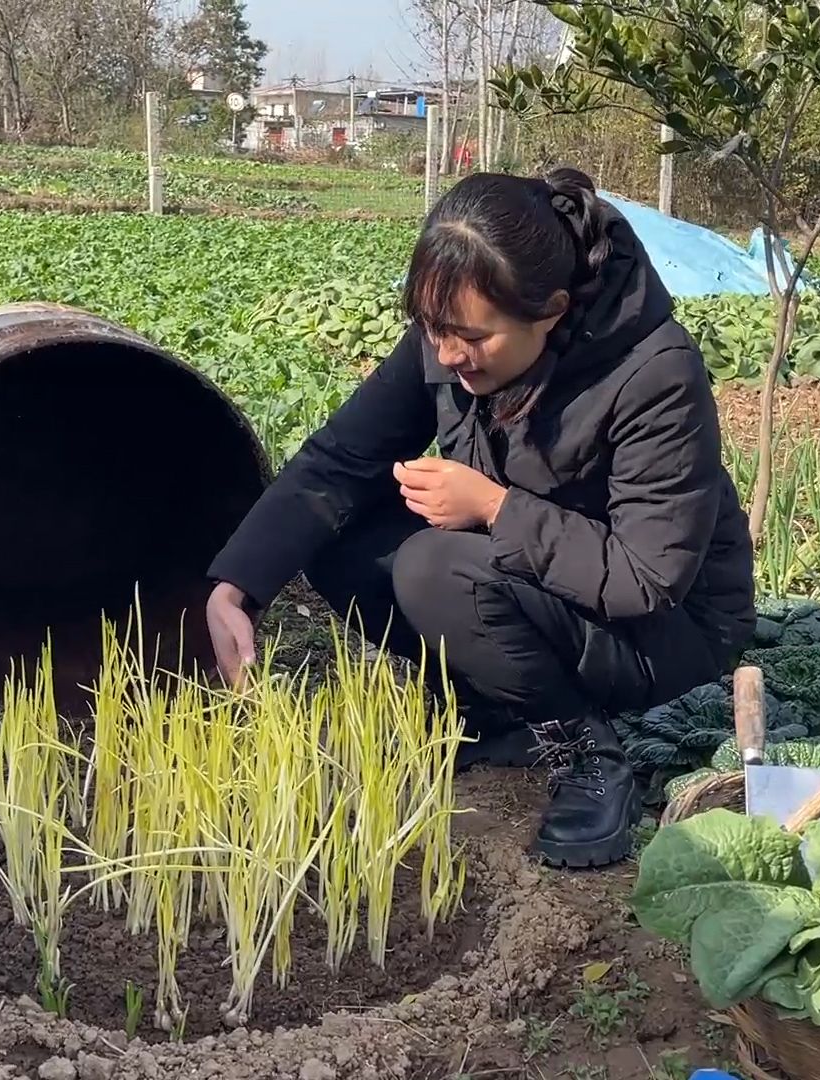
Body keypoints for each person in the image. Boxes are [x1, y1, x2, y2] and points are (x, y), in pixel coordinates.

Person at [203, 167, 756, 869]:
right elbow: (340, 461)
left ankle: (588, 755)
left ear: (550, 309)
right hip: (536, 589)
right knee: (339, 532)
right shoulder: (449, 337)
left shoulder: (655, 372)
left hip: (663, 634)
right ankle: (494, 707)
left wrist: (494, 506)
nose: (446, 354)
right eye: (432, 328)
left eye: (469, 337)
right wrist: (236, 586)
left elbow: (650, 576)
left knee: (437, 567)